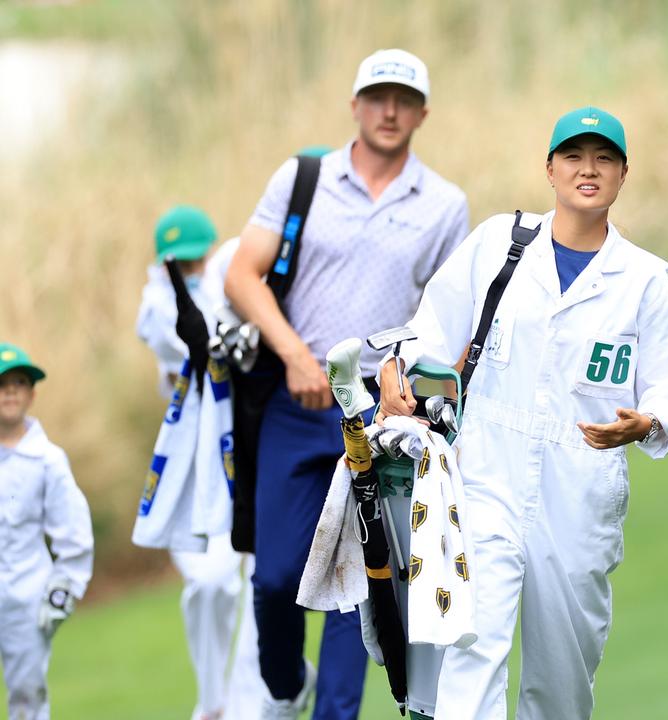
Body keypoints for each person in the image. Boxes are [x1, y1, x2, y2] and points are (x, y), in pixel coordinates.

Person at [379, 106, 668, 720]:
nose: (589, 170)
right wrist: (399, 371)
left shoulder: (643, 281)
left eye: (603, 158)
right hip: (485, 469)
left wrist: (650, 421)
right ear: (549, 169)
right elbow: (429, 327)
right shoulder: (499, 244)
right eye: (574, 158)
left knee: (563, 679)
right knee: (473, 643)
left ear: (623, 174)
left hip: (581, 483)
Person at [225, 48, 469, 719]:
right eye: (378, 97)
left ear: (421, 112)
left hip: (379, 416)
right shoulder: (305, 178)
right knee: (275, 579)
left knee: (358, 586)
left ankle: (336, 711)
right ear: (356, 105)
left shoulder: (445, 205)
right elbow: (242, 276)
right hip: (295, 400)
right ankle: (284, 685)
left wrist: (407, 387)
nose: (390, 112)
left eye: (404, 100)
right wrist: (297, 357)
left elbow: (444, 319)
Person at [136, 204, 267, 720]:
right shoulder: (156, 304)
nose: (188, 272)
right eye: (179, 264)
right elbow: (187, 339)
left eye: (195, 261)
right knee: (211, 583)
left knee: (265, 581)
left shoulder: (225, 279)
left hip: (253, 441)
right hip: (198, 462)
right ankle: (213, 703)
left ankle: (266, 696)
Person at [0, 342, 94, 720]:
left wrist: (62, 589)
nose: (9, 391)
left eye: (18, 382)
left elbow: (73, 535)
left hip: (26, 598)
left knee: (27, 696)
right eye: (2, 383)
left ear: (32, 393)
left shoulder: (48, 461)